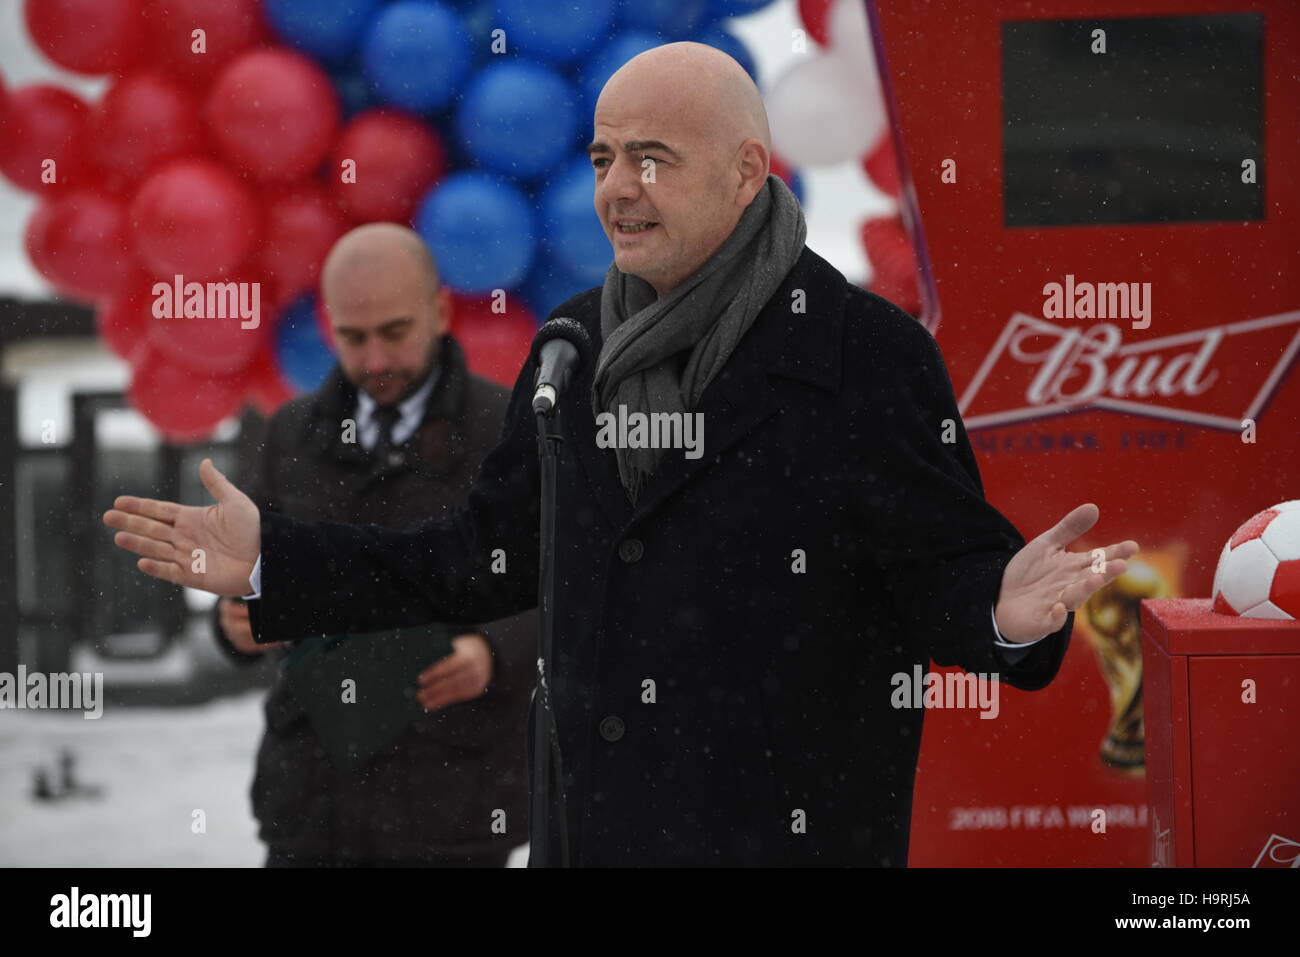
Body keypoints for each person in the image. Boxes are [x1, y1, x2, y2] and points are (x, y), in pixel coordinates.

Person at [105, 43, 1138, 866]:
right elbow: (483, 555)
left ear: (746, 172)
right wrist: (278, 558)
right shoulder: (572, 346)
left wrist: (1002, 609)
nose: (616, 189)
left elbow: (940, 578)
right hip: (593, 837)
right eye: (602, 157)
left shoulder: (865, 355)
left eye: (653, 157)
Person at [213, 224, 535, 867]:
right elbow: (241, 576)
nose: (376, 361)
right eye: (354, 338)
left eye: (394, 331)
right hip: (310, 804)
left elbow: (563, 588)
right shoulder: (289, 434)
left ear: (441, 310)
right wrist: (232, 622)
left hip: (452, 808)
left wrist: (493, 652)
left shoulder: (510, 429)